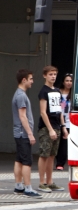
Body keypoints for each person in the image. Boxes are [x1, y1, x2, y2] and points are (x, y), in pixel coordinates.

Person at [37, 65, 67, 193]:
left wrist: (63, 126)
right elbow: (43, 112)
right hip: (47, 127)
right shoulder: (43, 91)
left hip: (57, 126)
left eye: (55, 74)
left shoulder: (58, 91)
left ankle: (50, 181)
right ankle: (41, 182)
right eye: (50, 74)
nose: (53, 76)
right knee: (44, 154)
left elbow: (61, 110)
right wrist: (50, 129)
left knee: (52, 155)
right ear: (45, 76)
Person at [12, 69, 41, 198]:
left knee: (19, 159)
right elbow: (23, 117)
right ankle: (28, 188)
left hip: (18, 133)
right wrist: (30, 134)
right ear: (24, 80)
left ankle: (19, 186)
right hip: (23, 134)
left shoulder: (18, 94)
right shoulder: (21, 96)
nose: (32, 82)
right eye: (30, 79)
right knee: (27, 161)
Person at [55, 73, 73, 171]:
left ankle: (61, 162)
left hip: (70, 122)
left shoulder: (74, 94)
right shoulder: (58, 93)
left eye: (70, 81)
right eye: (67, 80)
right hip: (59, 121)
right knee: (59, 143)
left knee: (65, 143)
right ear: (63, 82)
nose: (69, 83)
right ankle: (58, 161)